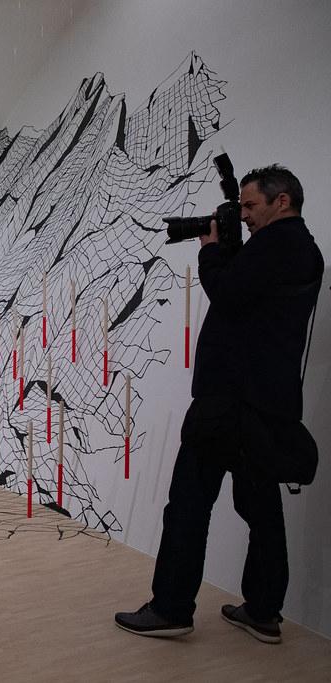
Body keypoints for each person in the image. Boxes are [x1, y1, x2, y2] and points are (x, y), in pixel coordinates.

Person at [114, 164, 324, 644]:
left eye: (251, 205)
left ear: (282, 201)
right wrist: (232, 254)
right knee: (261, 508)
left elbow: (228, 294)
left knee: (189, 504)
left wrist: (211, 252)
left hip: (227, 403)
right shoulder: (305, 251)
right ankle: (264, 611)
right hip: (267, 404)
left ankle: (171, 608)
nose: (244, 215)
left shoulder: (274, 245)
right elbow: (252, 299)